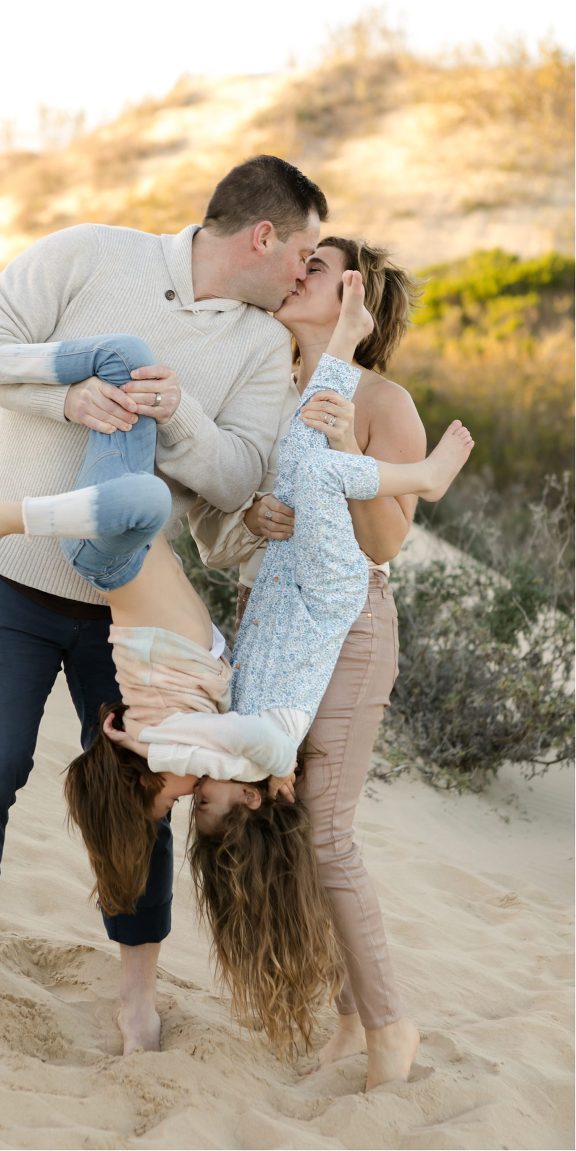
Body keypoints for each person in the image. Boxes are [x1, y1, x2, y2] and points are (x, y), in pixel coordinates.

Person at [0, 272, 473, 1055]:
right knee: (147, 380)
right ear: (254, 799)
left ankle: (2, 488)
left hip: (162, 565)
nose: (193, 793)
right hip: (304, 590)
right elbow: (225, 538)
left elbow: (196, 750)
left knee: (155, 467)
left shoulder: (196, 739)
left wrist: (140, 744)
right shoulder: (256, 741)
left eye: (184, 800)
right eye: (207, 802)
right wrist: (249, 514)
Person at [0, 155, 328, 1052]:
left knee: (146, 800)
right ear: (263, 235)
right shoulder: (89, 252)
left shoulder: (256, 346)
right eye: (304, 250)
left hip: (124, 616)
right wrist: (67, 397)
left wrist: (180, 418)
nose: (302, 271)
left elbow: (242, 473)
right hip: (3, 574)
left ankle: (135, 992)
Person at [188, 236, 430, 1089]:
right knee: (282, 829)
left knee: (326, 830)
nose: (298, 275)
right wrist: (256, 513)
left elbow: (387, 541)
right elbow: (235, 514)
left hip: (351, 629)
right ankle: (342, 1014)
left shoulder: (381, 399)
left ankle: (389, 1024)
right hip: (271, 627)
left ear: (352, 295)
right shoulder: (270, 386)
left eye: (317, 268)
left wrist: (338, 462)